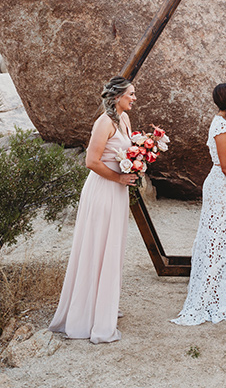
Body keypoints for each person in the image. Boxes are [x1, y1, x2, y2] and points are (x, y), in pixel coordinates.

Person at [49, 76, 138, 343]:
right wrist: (119, 178)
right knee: (97, 246)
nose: (134, 98)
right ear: (116, 97)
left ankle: (104, 305)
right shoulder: (103, 123)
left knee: (112, 247)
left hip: (118, 192)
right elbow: (91, 161)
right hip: (103, 190)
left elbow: (128, 150)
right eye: (131, 94)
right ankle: (87, 314)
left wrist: (139, 159)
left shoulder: (124, 119)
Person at [171, 83, 226, 325]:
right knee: (215, 239)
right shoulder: (220, 125)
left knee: (221, 239)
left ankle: (214, 291)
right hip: (220, 188)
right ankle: (205, 297)